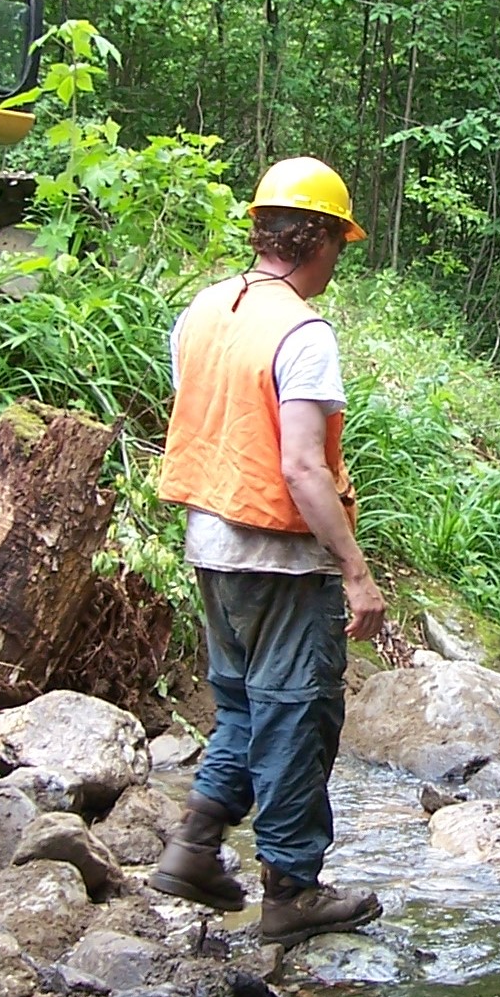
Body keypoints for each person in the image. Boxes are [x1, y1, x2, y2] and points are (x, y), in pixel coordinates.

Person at [150, 157, 387, 947]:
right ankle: (291, 889)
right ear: (316, 241)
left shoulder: (204, 309)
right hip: (281, 557)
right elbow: (300, 467)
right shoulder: (302, 331)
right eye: (339, 244)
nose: (337, 261)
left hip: (210, 543)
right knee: (297, 716)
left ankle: (192, 845)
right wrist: (355, 570)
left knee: (244, 707)